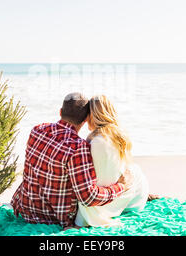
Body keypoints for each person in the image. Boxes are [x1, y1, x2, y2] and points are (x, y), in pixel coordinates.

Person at [10, 92, 130, 228]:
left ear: (60, 112)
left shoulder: (37, 130)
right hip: (54, 219)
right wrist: (120, 187)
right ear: (85, 120)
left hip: (25, 210)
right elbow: (88, 197)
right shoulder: (78, 147)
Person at [75, 95, 156, 227]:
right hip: (117, 196)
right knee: (135, 171)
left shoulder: (90, 140)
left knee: (131, 170)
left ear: (91, 115)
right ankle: (143, 196)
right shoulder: (120, 136)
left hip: (96, 200)